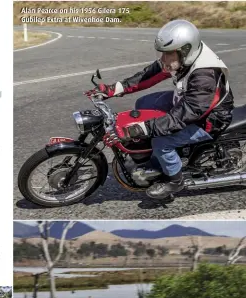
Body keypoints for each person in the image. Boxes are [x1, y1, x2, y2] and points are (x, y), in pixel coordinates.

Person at [94, 19, 234, 200]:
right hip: (188, 101)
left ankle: (175, 181)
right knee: (144, 104)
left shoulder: (204, 76)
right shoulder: (186, 56)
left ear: (185, 50)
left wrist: (138, 129)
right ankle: (156, 159)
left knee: (161, 143)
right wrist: (116, 88)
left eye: (168, 54)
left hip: (207, 119)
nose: (163, 59)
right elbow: (149, 75)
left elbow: (184, 116)